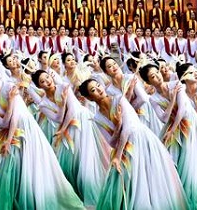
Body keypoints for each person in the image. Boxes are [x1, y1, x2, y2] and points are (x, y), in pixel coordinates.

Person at [0, 68, 85, 209]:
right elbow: (4, 123)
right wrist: (10, 104)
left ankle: (34, 200)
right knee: (2, 170)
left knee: (32, 166)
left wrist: (9, 138)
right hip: (8, 135)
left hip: (27, 130)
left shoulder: (8, 87)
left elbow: (16, 117)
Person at [79, 78, 189, 210]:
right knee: (124, 182)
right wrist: (118, 126)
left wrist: (117, 156)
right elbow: (112, 142)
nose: (99, 89)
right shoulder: (97, 118)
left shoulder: (119, 100)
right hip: (124, 147)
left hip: (140, 139)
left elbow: (128, 129)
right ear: (90, 98)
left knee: (148, 178)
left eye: (98, 85)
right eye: (93, 90)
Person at [140, 63, 197, 209]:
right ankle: (178, 198)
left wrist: (172, 129)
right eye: (153, 76)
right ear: (148, 81)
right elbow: (163, 118)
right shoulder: (153, 98)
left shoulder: (177, 84)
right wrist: (172, 100)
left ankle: (192, 199)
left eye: (157, 72)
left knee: (192, 163)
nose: (158, 77)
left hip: (190, 126)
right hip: (173, 129)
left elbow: (182, 110)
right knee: (172, 162)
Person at [30, 69, 110, 206]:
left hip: (82, 122)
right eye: (42, 81)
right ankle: (73, 196)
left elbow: (73, 109)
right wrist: (62, 106)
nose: (47, 81)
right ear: (39, 86)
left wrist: (63, 128)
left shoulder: (63, 86)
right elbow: (57, 118)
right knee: (68, 165)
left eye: (47, 77)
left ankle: (95, 195)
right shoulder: (43, 104)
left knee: (88, 161)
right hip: (67, 129)